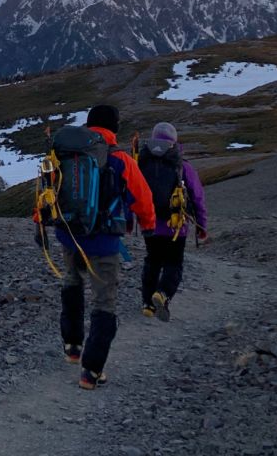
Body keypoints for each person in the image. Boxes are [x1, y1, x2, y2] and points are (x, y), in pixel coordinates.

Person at [42, 104, 155, 390]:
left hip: (70, 234)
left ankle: (72, 345)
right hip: (104, 241)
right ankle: (91, 371)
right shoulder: (119, 158)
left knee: (72, 282)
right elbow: (142, 197)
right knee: (104, 300)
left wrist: (40, 223)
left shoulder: (66, 152)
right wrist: (149, 226)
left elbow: (47, 190)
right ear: (114, 127)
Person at [138, 122, 209, 321]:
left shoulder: (142, 162)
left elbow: (131, 192)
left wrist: (128, 220)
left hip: (149, 224)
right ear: (174, 141)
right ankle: (163, 293)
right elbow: (197, 196)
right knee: (173, 263)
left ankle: (147, 305)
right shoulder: (182, 165)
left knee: (152, 261)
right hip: (177, 225)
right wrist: (202, 225)